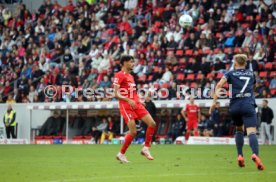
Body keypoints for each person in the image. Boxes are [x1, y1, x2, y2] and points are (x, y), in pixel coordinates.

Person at [210, 54, 265, 170]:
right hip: (248, 105)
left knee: (239, 129)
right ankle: (255, 154)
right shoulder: (251, 74)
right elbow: (254, 87)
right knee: (251, 132)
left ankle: (240, 155)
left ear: (235, 63)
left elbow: (219, 85)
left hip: (235, 106)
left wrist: (214, 102)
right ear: (245, 63)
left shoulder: (230, 73)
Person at [113, 55, 156, 163]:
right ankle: (121, 154)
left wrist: (139, 100)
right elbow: (116, 94)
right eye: (131, 62)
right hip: (126, 105)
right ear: (124, 63)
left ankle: (146, 148)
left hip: (136, 103)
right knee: (133, 132)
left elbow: (133, 93)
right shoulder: (119, 75)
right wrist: (128, 100)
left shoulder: (131, 77)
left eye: (133, 62)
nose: (133, 64)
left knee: (152, 124)